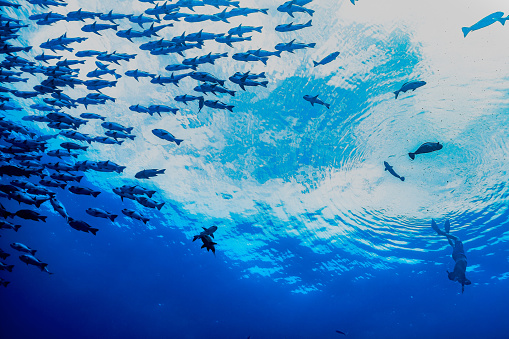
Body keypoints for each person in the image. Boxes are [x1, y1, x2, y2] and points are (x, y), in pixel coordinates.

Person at [431, 219, 471, 293]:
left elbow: (468, 282)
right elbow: (467, 282)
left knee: (457, 239)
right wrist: (462, 285)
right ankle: (447, 233)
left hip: (459, 255)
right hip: (456, 256)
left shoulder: (460, 274)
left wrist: (462, 282)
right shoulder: (460, 275)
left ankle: (441, 232)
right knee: (453, 245)